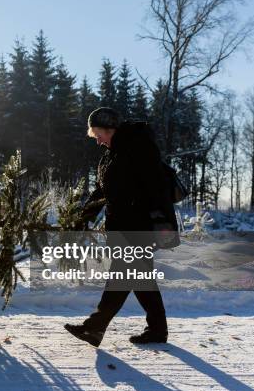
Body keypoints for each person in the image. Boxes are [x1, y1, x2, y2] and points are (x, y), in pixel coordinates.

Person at [64, 107, 178, 347]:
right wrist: (82, 216)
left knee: (122, 276)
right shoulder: (110, 154)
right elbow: (102, 190)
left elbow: (155, 186)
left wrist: (159, 223)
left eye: (98, 134)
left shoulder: (139, 146)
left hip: (138, 226)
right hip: (122, 225)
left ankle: (95, 328)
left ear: (110, 129)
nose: (97, 140)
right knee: (141, 279)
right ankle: (157, 330)